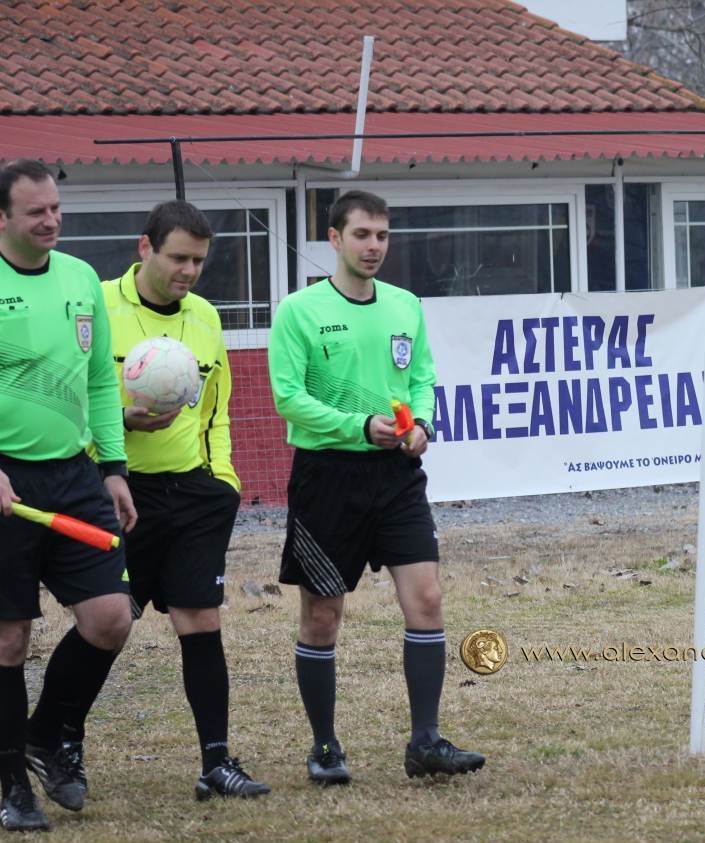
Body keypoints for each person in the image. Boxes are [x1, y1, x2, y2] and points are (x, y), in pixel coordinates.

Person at [267, 189, 485, 785]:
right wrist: (358, 426)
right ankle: (325, 747)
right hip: (326, 477)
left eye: (382, 236)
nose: (373, 247)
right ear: (334, 239)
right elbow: (288, 398)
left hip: (396, 479)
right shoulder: (299, 311)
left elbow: (422, 378)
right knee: (322, 617)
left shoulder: (405, 305)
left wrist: (422, 425)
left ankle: (426, 742)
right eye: (362, 235)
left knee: (427, 599)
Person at [89, 200, 268, 800]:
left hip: (193, 493)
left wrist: (223, 483)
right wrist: (117, 429)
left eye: (198, 261)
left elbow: (216, 410)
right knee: (107, 624)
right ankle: (59, 744)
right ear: (145, 247)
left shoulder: (206, 317)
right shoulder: (98, 307)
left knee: (201, 620)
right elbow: (71, 400)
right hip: (116, 492)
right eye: (178, 258)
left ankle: (216, 762)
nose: (189, 271)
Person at [0, 159, 137, 831]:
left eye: (56, 208)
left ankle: (43, 732)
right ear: (2, 218)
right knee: (9, 637)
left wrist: (113, 467)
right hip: (5, 480)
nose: (51, 220)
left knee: (111, 617)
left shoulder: (81, 278)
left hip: (75, 475)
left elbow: (102, 382)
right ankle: (12, 787)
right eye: (36, 212)